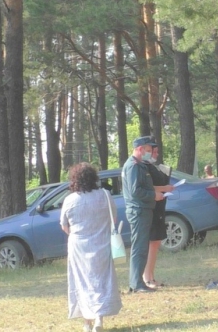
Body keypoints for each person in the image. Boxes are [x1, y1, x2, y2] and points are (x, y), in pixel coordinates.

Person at [60, 162, 122, 332]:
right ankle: (99, 319)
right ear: (94, 178)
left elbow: (65, 226)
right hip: (102, 244)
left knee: (81, 282)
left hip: (78, 247)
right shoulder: (105, 195)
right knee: (101, 281)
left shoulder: (69, 200)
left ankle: (86, 323)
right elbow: (113, 220)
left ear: (74, 179)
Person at [122, 136, 163, 293]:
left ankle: (138, 282)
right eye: (147, 150)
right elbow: (135, 191)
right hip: (138, 211)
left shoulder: (140, 165)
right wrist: (154, 195)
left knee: (142, 247)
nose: (149, 153)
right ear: (139, 149)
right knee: (139, 248)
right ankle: (137, 284)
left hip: (143, 210)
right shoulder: (133, 166)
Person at [143, 141, 174, 289]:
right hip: (151, 209)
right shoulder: (143, 167)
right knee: (151, 243)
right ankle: (146, 277)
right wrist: (164, 187)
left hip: (160, 206)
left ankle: (151, 276)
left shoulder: (152, 167)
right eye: (152, 151)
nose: (155, 154)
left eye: (155, 152)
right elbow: (146, 187)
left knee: (156, 243)